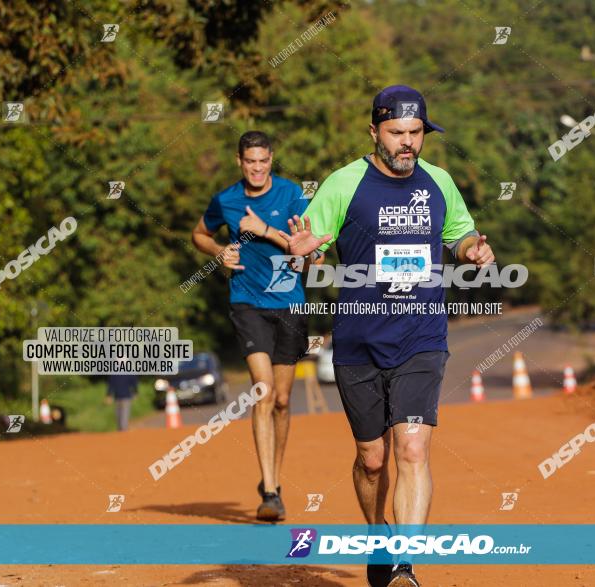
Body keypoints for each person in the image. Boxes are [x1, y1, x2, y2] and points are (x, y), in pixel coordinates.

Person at [280, 86, 494, 587]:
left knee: (412, 449)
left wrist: (472, 251)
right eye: (397, 133)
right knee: (372, 459)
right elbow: (310, 246)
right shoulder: (344, 183)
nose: (407, 143)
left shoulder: (439, 182)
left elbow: (459, 235)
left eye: (416, 133)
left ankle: (404, 567)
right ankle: (378, 535)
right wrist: (305, 252)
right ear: (374, 132)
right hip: (359, 341)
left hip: (422, 336)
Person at [191, 131, 312, 521]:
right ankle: (272, 492)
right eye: (250, 161)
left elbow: (311, 257)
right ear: (239, 162)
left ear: (271, 159)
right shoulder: (225, 200)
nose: (257, 168)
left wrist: (264, 231)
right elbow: (199, 234)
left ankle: (272, 477)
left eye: (263, 161)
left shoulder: (293, 194)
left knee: (281, 400)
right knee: (263, 391)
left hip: (289, 304)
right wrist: (219, 250)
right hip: (247, 303)